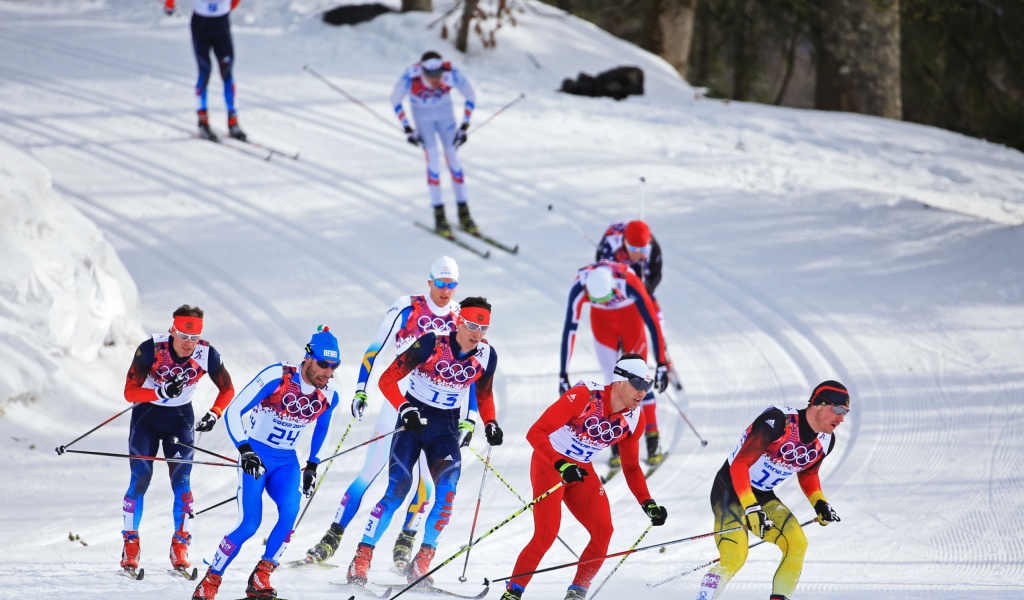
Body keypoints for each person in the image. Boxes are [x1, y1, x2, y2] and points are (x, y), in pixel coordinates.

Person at [305, 256, 480, 572]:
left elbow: (471, 372)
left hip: (441, 412)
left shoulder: (461, 318)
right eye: (440, 283)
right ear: (429, 281)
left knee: (429, 481)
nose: (445, 290)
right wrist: (362, 388)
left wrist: (471, 416)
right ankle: (332, 536)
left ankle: (406, 541)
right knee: (372, 470)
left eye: (451, 284)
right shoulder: (407, 306)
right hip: (400, 399)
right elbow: (375, 348)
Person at [346, 297, 503, 588]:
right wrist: (404, 407)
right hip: (413, 423)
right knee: (397, 491)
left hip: (445, 429)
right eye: (471, 324)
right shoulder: (431, 343)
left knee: (446, 495)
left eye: (483, 327)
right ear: (458, 321)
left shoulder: (486, 355)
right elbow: (387, 380)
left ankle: (421, 564)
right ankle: (361, 558)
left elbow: (483, 394)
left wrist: (490, 422)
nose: (477, 333)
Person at [191, 326, 343, 600]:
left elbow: (323, 428)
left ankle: (261, 576)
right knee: (250, 523)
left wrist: (312, 464)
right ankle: (210, 581)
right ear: (308, 357)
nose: (328, 372)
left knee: (289, 515)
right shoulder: (278, 376)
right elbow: (235, 410)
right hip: (257, 455)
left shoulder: (330, 393)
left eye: (334, 366)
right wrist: (245, 450)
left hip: (286, 461)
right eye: (323, 364)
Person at [501, 355, 668, 600]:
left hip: (581, 469)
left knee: (603, 531)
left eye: (648, 386)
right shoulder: (585, 396)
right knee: (546, 532)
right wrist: (560, 464)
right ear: (620, 381)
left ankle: (577, 592)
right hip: (551, 463)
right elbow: (535, 433)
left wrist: (648, 503)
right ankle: (513, 593)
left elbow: (631, 468)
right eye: (638, 384)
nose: (643, 392)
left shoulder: (634, 419)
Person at [693, 381, 849, 600]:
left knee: (797, 543)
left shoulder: (825, 441)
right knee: (734, 556)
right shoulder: (778, 421)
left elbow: (808, 474)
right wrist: (750, 507)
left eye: (846, 413)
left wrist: (820, 503)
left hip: (763, 497)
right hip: (730, 488)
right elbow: (739, 465)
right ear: (818, 404)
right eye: (839, 410)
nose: (842, 418)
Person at [120, 304, 234, 577]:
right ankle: (130, 546)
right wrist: (160, 391)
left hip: (180, 420)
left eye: (194, 338)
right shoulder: (151, 349)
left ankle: (180, 546)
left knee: (182, 484)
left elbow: (227, 389)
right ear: (173, 330)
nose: (189, 344)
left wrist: (214, 414)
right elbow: (129, 392)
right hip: (146, 416)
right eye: (183, 336)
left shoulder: (207, 354)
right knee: (140, 479)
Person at [559, 260, 670, 468]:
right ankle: (616, 443)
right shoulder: (580, 285)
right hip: (603, 326)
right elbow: (569, 330)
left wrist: (662, 363)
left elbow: (653, 323)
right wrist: (563, 373)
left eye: (607, 298)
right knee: (613, 383)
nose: (603, 302)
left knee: (640, 379)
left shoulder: (628, 281)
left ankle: (652, 438)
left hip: (630, 320)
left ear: (613, 287)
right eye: (596, 300)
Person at [390, 50, 479, 237]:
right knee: (433, 161)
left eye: (437, 74)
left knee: (453, 159)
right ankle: (439, 215)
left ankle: (464, 213)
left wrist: (464, 126)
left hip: (445, 117)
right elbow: (395, 100)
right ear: (422, 71)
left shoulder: (451, 73)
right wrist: (408, 129)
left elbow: (470, 96)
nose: (435, 79)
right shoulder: (410, 76)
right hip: (423, 119)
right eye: (430, 75)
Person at [164, 0, 247, 142]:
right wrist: (170, 5)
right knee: (204, 71)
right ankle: (203, 122)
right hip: (201, 24)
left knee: (227, 72)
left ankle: (233, 121)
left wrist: (228, 7)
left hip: (221, 24)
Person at [595, 220, 663, 298]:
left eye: (642, 249)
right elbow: (601, 271)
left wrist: (647, 290)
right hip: (617, 261)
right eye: (633, 249)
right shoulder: (610, 245)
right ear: (625, 242)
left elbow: (656, 274)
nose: (637, 253)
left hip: (639, 267)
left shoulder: (653, 247)